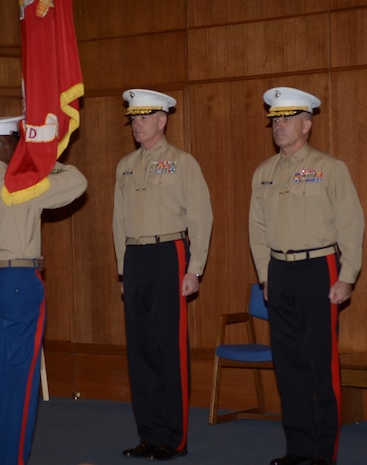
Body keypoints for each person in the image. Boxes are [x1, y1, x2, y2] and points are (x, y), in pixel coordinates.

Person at [0, 115, 87, 465]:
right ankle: (11, 460)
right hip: (18, 283)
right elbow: (77, 182)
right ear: (10, 145)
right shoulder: (19, 183)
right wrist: (41, 156)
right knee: (22, 379)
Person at [248, 87, 364, 465]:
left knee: (320, 365)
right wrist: (266, 276)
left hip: (319, 269)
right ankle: (297, 449)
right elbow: (257, 229)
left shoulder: (331, 168)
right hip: (279, 271)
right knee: (288, 366)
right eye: (275, 120)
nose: (278, 126)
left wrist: (347, 277)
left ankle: (321, 453)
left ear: (307, 124)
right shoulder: (264, 172)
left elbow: (351, 225)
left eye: (286, 119)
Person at [113, 89, 213, 461]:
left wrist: (194, 267)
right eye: (133, 118)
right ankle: (149, 435)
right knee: (140, 351)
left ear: (162, 119)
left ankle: (174, 438)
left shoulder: (182, 163)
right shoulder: (125, 165)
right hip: (136, 258)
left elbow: (201, 218)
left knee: (167, 349)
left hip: (169, 253)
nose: (137, 124)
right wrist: (123, 271)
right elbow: (118, 222)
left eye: (143, 117)